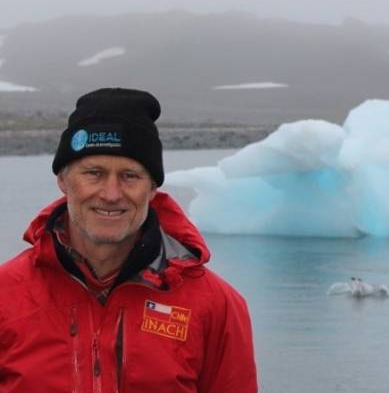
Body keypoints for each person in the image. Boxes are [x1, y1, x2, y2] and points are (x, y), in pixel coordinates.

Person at [0, 88, 258, 392]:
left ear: (152, 189)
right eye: (94, 173)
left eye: (130, 176)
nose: (111, 194)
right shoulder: (7, 296)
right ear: (63, 181)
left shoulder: (215, 306)